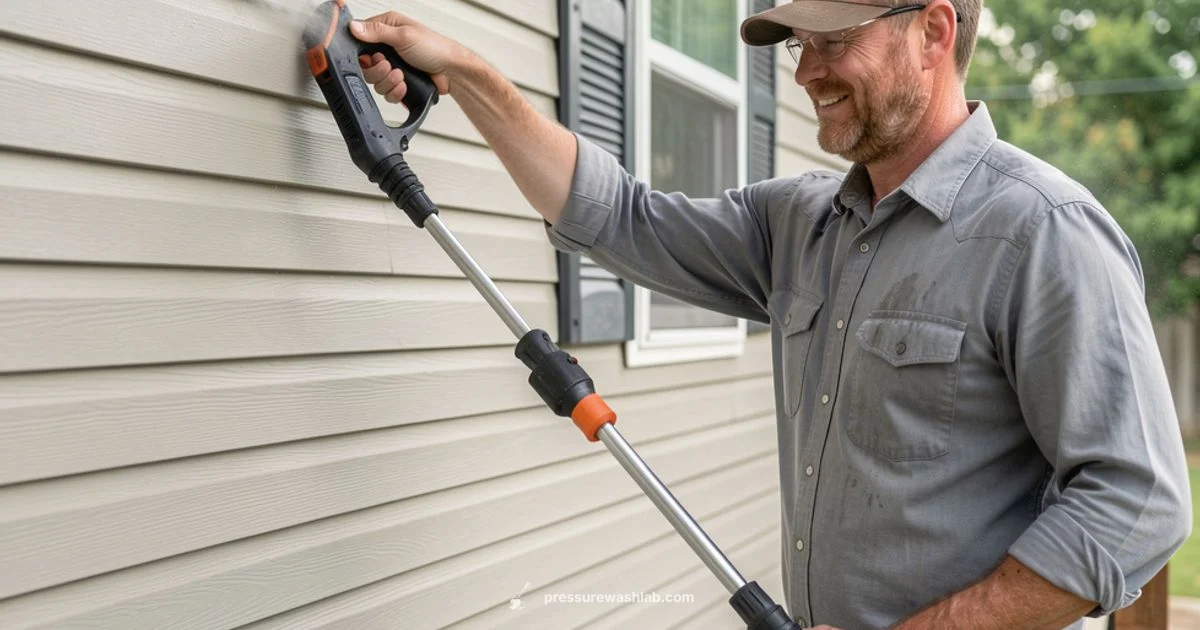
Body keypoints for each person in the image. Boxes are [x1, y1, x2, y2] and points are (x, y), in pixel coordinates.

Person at [348, 0, 1193, 627]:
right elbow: (618, 217)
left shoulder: (1043, 230)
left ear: (934, 32)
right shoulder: (797, 221)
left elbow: (1136, 504)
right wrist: (465, 72)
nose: (804, 71)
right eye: (799, 43)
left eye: (834, 40)